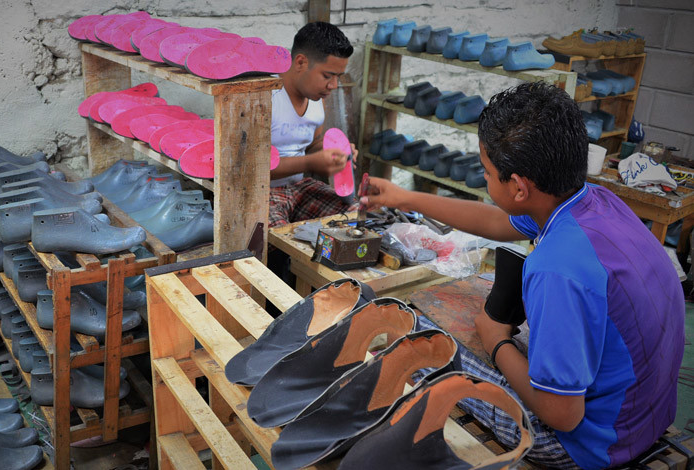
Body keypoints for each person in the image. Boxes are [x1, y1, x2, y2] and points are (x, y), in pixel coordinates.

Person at [361, 82, 684, 469]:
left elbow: (562, 416)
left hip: (586, 445)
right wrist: (404, 198)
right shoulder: (594, 202)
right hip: (644, 416)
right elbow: (498, 221)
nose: (483, 179)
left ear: (518, 186)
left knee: (417, 337)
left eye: (486, 172)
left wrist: (497, 343)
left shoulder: (554, 268)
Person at [269, 21, 358, 227]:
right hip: (262, 190)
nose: (333, 86)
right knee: (275, 235)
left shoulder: (317, 100)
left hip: (299, 188)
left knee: (355, 213)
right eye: (327, 76)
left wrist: (338, 155)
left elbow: (313, 145)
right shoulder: (267, 97)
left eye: (338, 77)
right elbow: (249, 167)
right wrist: (311, 163)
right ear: (300, 62)